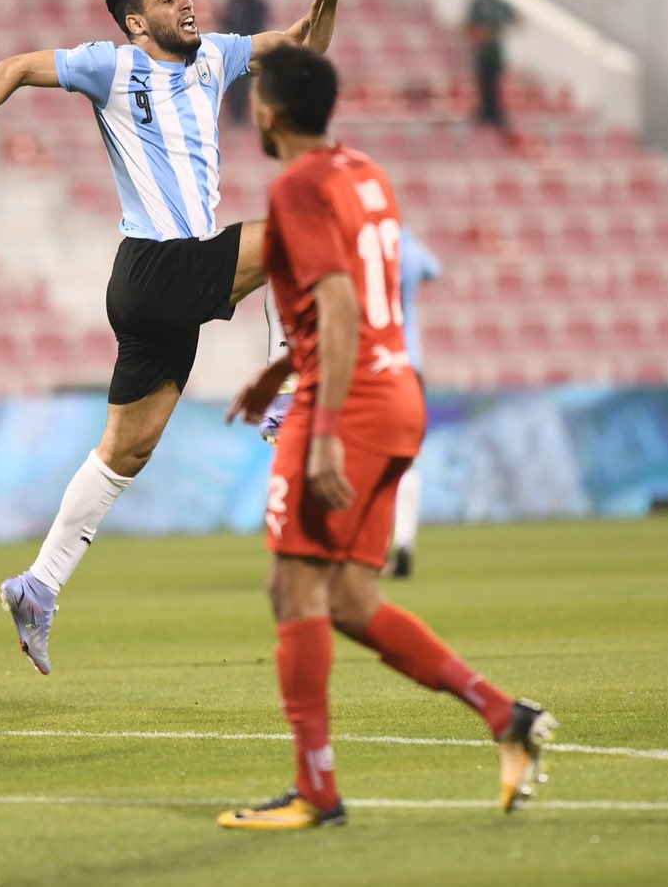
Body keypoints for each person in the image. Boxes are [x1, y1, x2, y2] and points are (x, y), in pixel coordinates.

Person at [0, 0, 350, 676]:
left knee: (124, 453)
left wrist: (330, 0)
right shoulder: (111, 66)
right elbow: (13, 68)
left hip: (154, 291)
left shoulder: (216, 55)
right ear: (136, 22)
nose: (185, 2)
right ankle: (286, 392)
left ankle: (39, 586)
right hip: (158, 264)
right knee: (302, 228)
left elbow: (300, 49)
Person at [218, 45, 555, 830]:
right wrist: (276, 374)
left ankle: (316, 792)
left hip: (350, 403)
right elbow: (357, 296)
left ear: (268, 111)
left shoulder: (297, 185)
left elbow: (339, 307)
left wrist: (324, 432)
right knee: (348, 599)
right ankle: (505, 716)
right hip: (399, 392)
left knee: (294, 589)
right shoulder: (365, 172)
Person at [384, 226, 441, 579]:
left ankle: (370, 550)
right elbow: (434, 270)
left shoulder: (362, 240)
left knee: (366, 459)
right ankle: (404, 542)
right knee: (407, 459)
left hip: (375, 363)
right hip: (412, 365)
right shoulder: (408, 245)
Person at [465, 0, 519, 131]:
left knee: (495, 83)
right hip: (482, 51)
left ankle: (494, 113)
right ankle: (485, 112)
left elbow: (516, 19)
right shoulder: (477, 3)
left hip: (494, 51)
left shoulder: (496, 2)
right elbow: (469, 28)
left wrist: (497, 33)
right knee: (484, 83)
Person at [219, 0, 269, 125]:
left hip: (248, 47)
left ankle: (241, 117)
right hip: (232, 47)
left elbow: (259, 22)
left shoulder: (254, 0)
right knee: (233, 84)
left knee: (243, 84)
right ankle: (235, 117)